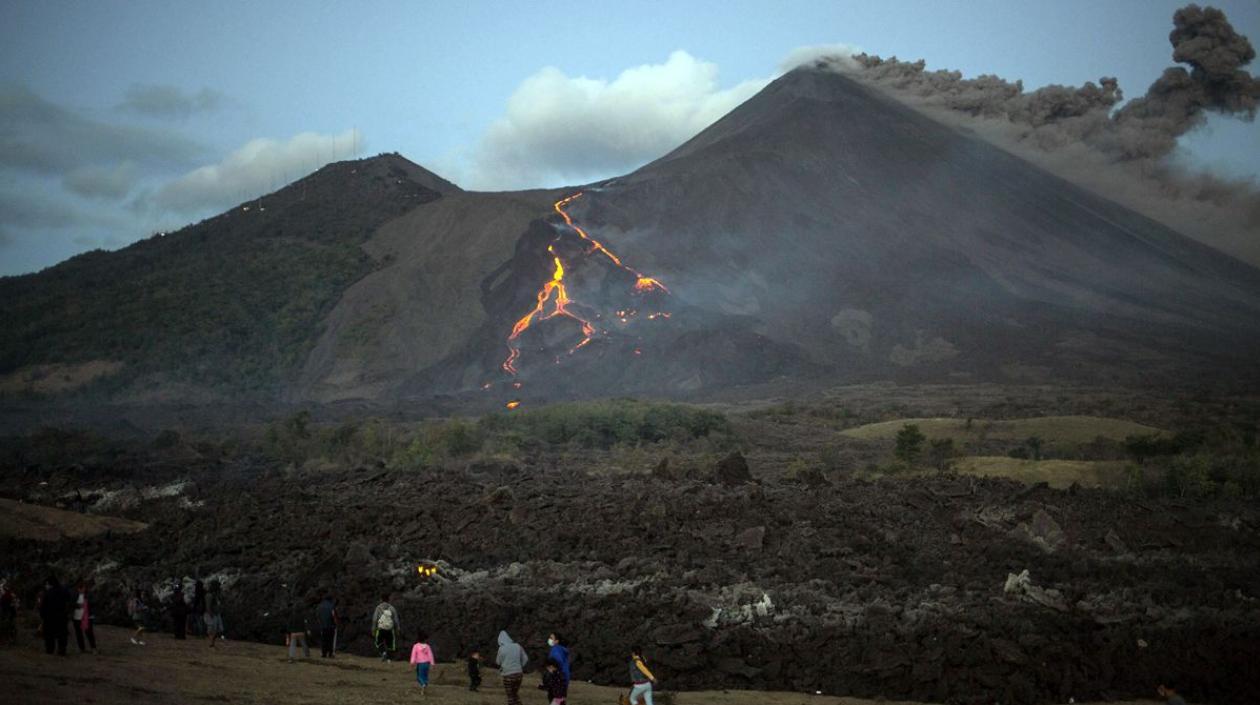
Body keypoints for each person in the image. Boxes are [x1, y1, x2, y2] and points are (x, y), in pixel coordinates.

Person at [496, 630, 529, 705]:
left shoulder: (501, 649)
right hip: (519, 674)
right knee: (515, 694)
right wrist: (520, 666)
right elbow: (526, 659)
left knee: (510, 696)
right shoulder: (518, 646)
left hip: (508, 674)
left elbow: (498, 662)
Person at [39, 576, 70, 655]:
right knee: (62, 635)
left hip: (49, 617)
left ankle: (50, 650)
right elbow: (68, 602)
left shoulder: (48, 593)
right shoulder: (64, 591)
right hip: (62, 616)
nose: (46, 586)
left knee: (49, 635)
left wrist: (42, 615)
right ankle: (62, 650)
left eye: (47, 584)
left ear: (50, 584)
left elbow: (43, 606)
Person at [372, 594, 402, 661]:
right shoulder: (392, 608)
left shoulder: (378, 608)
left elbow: (375, 619)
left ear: (381, 599)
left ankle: (383, 653)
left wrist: (373, 628)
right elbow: (396, 619)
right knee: (390, 644)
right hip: (390, 629)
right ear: (389, 599)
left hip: (381, 629)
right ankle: (389, 658)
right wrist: (398, 628)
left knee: (378, 642)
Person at [71, 581, 97, 653]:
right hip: (77, 616)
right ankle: (81, 648)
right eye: (79, 589)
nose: (80, 590)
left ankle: (93, 647)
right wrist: (77, 605)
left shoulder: (89, 594)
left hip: (87, 617)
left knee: (89, 633)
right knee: (79, 633)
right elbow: (71, 603)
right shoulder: (75, 594)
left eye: (82, 588)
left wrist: (86, 604)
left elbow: (94, 603)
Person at [410, 629, 435, 695]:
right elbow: (430, 655)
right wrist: (432, 664)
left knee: (419, 677)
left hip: (420, 664)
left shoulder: (416, 646)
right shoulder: (428, 647)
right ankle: (424, 688)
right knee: (425, 676)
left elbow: (413, 655)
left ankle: (423, 684)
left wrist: (412, 662)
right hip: (427, 664)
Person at [285, 597, 310, 663]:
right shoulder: (303, 615)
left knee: (292, 645)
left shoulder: (292, 616)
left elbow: (289, 624)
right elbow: (305, 623)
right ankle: (307, 654)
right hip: (301, 632)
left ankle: (291, 657)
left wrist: (289, 632)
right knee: (304, 644)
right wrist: (307, 630)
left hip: (293, 633)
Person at [315, 593, 338, 658]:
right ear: (331, 599)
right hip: (331, 626)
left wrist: (320, 623)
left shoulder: (320, 606)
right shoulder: (332, 606)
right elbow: (333, 615)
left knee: (324, 640)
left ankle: (323, 653)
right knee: (330, 640)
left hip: (323, 626)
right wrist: (336, 623)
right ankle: (330, 653)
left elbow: (317, 616)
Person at [204, 580, 225, 648]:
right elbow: (208, 606)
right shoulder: (209, 595)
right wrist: (210, 614)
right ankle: (211, 642)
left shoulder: (215, 595)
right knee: (212, 629)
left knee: (218, 629)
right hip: (212, 614)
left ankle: (212, 642)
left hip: (216, 613)